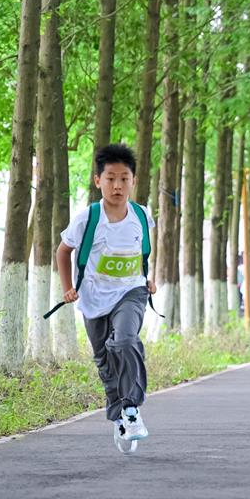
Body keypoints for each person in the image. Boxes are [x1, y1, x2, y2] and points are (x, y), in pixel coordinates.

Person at [56, 143, 156, 455]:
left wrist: (149, 277)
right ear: (98, 180)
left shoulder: (142, 215)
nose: (117, 185)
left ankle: (131, 409)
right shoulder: (89, 218)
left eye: (124, 178)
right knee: (104, 361)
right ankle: (120, 416)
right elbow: (63, 251)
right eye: (110, 178)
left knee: (124, 342)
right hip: (93, 298)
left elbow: (148, 246)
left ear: (134, 181)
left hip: (131, 292)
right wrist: (68, 286)